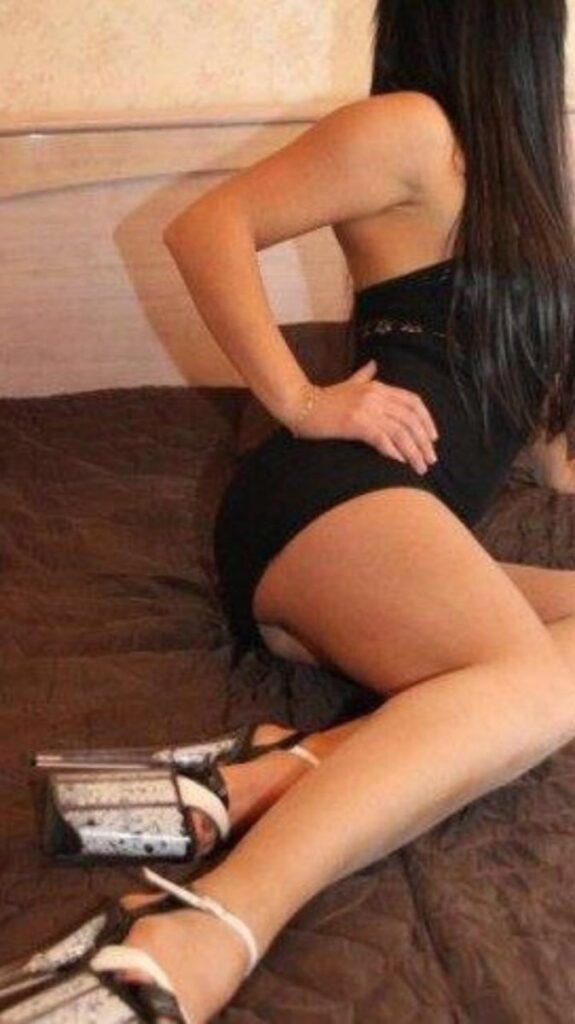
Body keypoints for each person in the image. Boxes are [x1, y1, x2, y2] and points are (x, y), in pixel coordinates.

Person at [3, 1, 575, 1021]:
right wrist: (304, 400)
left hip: (397, 535)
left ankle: (274, 771)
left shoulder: (517, 182)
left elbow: (514, 403)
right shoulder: (410, 129)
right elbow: (204, 227)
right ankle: (210, 922)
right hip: (328, 502)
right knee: (532, 687)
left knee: (548, 662)